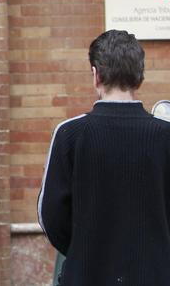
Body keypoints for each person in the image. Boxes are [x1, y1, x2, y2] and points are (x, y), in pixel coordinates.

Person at [38, 29, 170, 285]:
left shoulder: (70, 134)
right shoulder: (165, 135)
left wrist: (84, 251)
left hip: (87, 275)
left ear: (96, 75)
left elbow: (50, 214)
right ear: (139, 77)